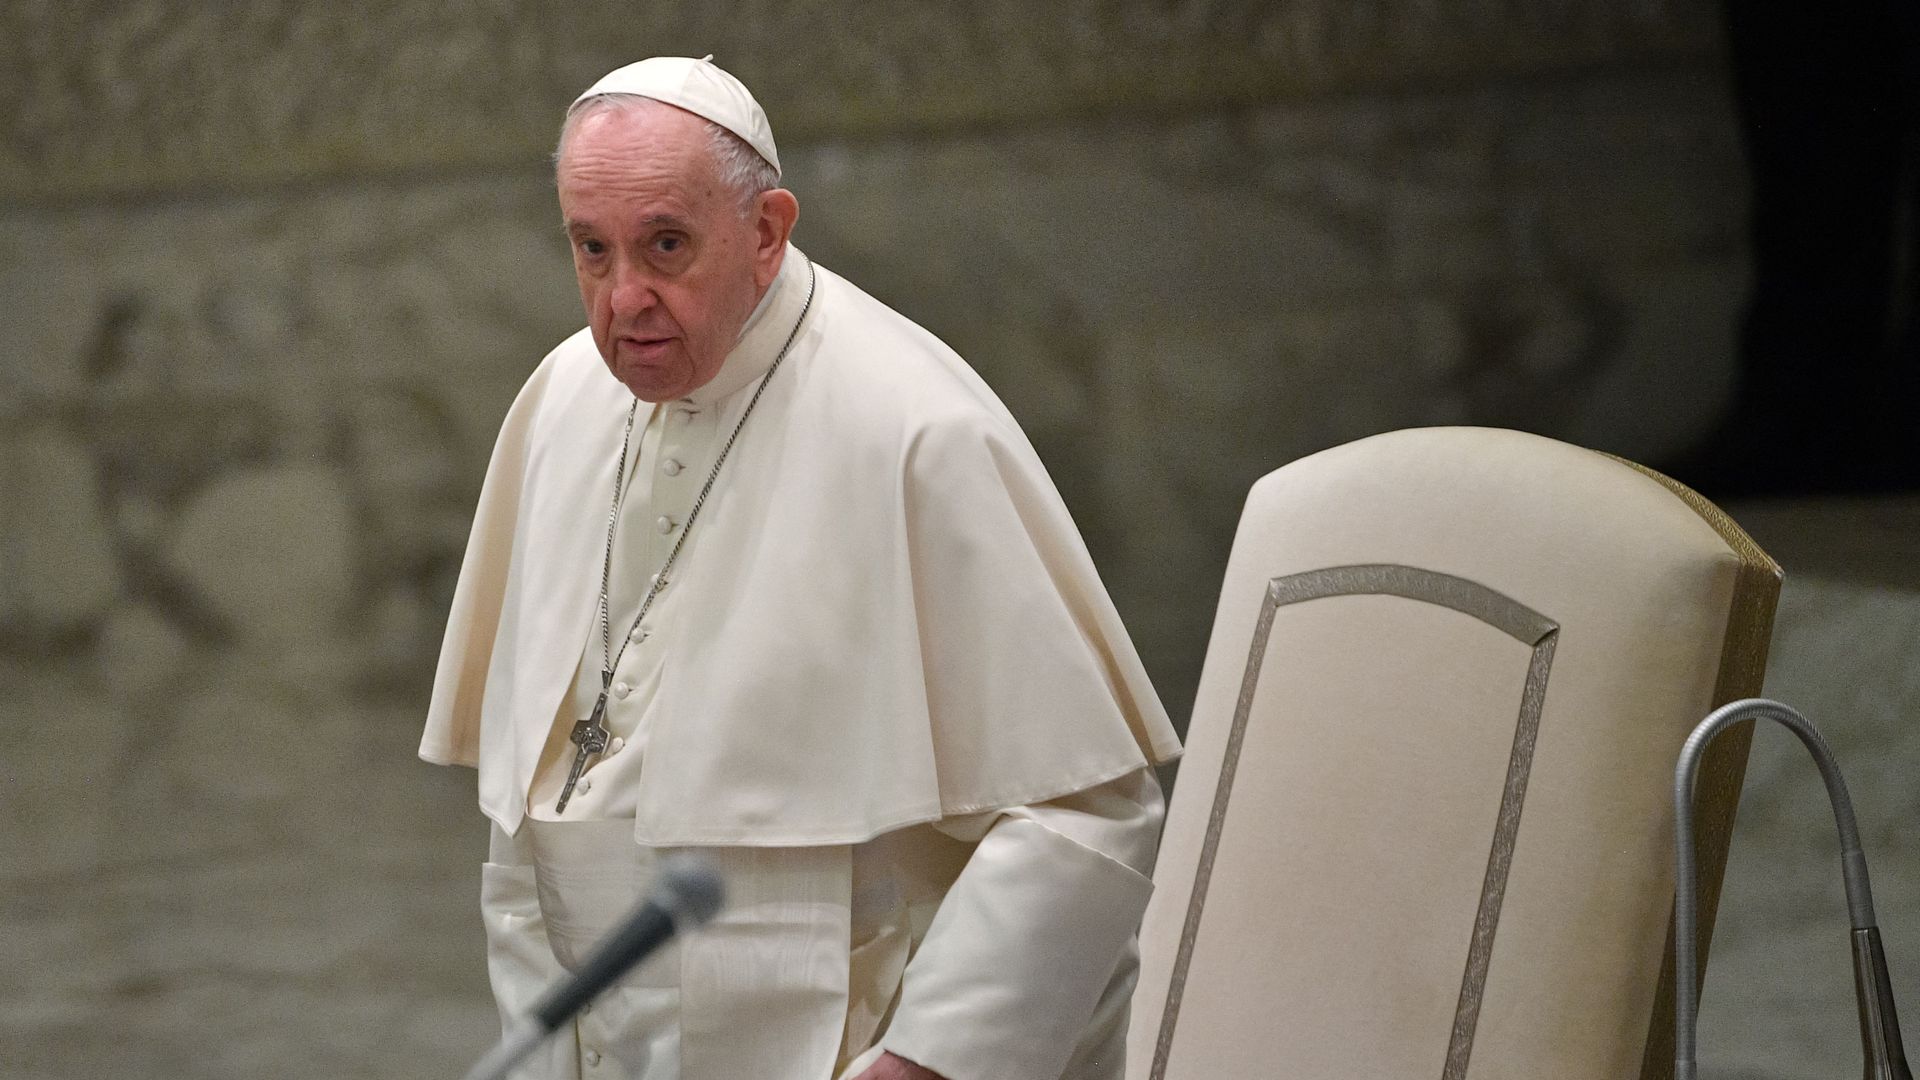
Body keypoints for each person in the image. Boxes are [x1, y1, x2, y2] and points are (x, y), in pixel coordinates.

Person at [420, 55, 1182, 1080]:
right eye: (592, 249)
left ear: (767, 232)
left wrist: (926, 1062)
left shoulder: (909, 426)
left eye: (666, 245)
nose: (624, 297)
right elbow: (525, 813)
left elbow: (1085, 814)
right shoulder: (561, 401)